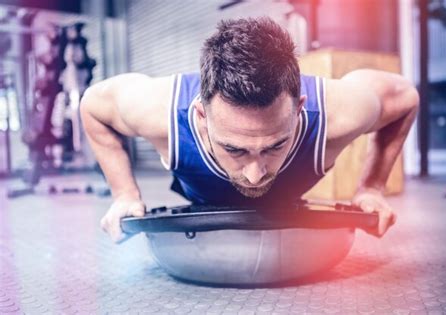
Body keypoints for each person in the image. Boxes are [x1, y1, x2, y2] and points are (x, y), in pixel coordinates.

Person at [80, 17, 419, 243]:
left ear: (300, 108)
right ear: (200, 116)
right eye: (235, 149)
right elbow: (92, 106)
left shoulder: (339, 110)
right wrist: (124, 193)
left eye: (275, 146)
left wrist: (372, 187)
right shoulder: (156, 110)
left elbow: (405, 97)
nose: (256, 175)